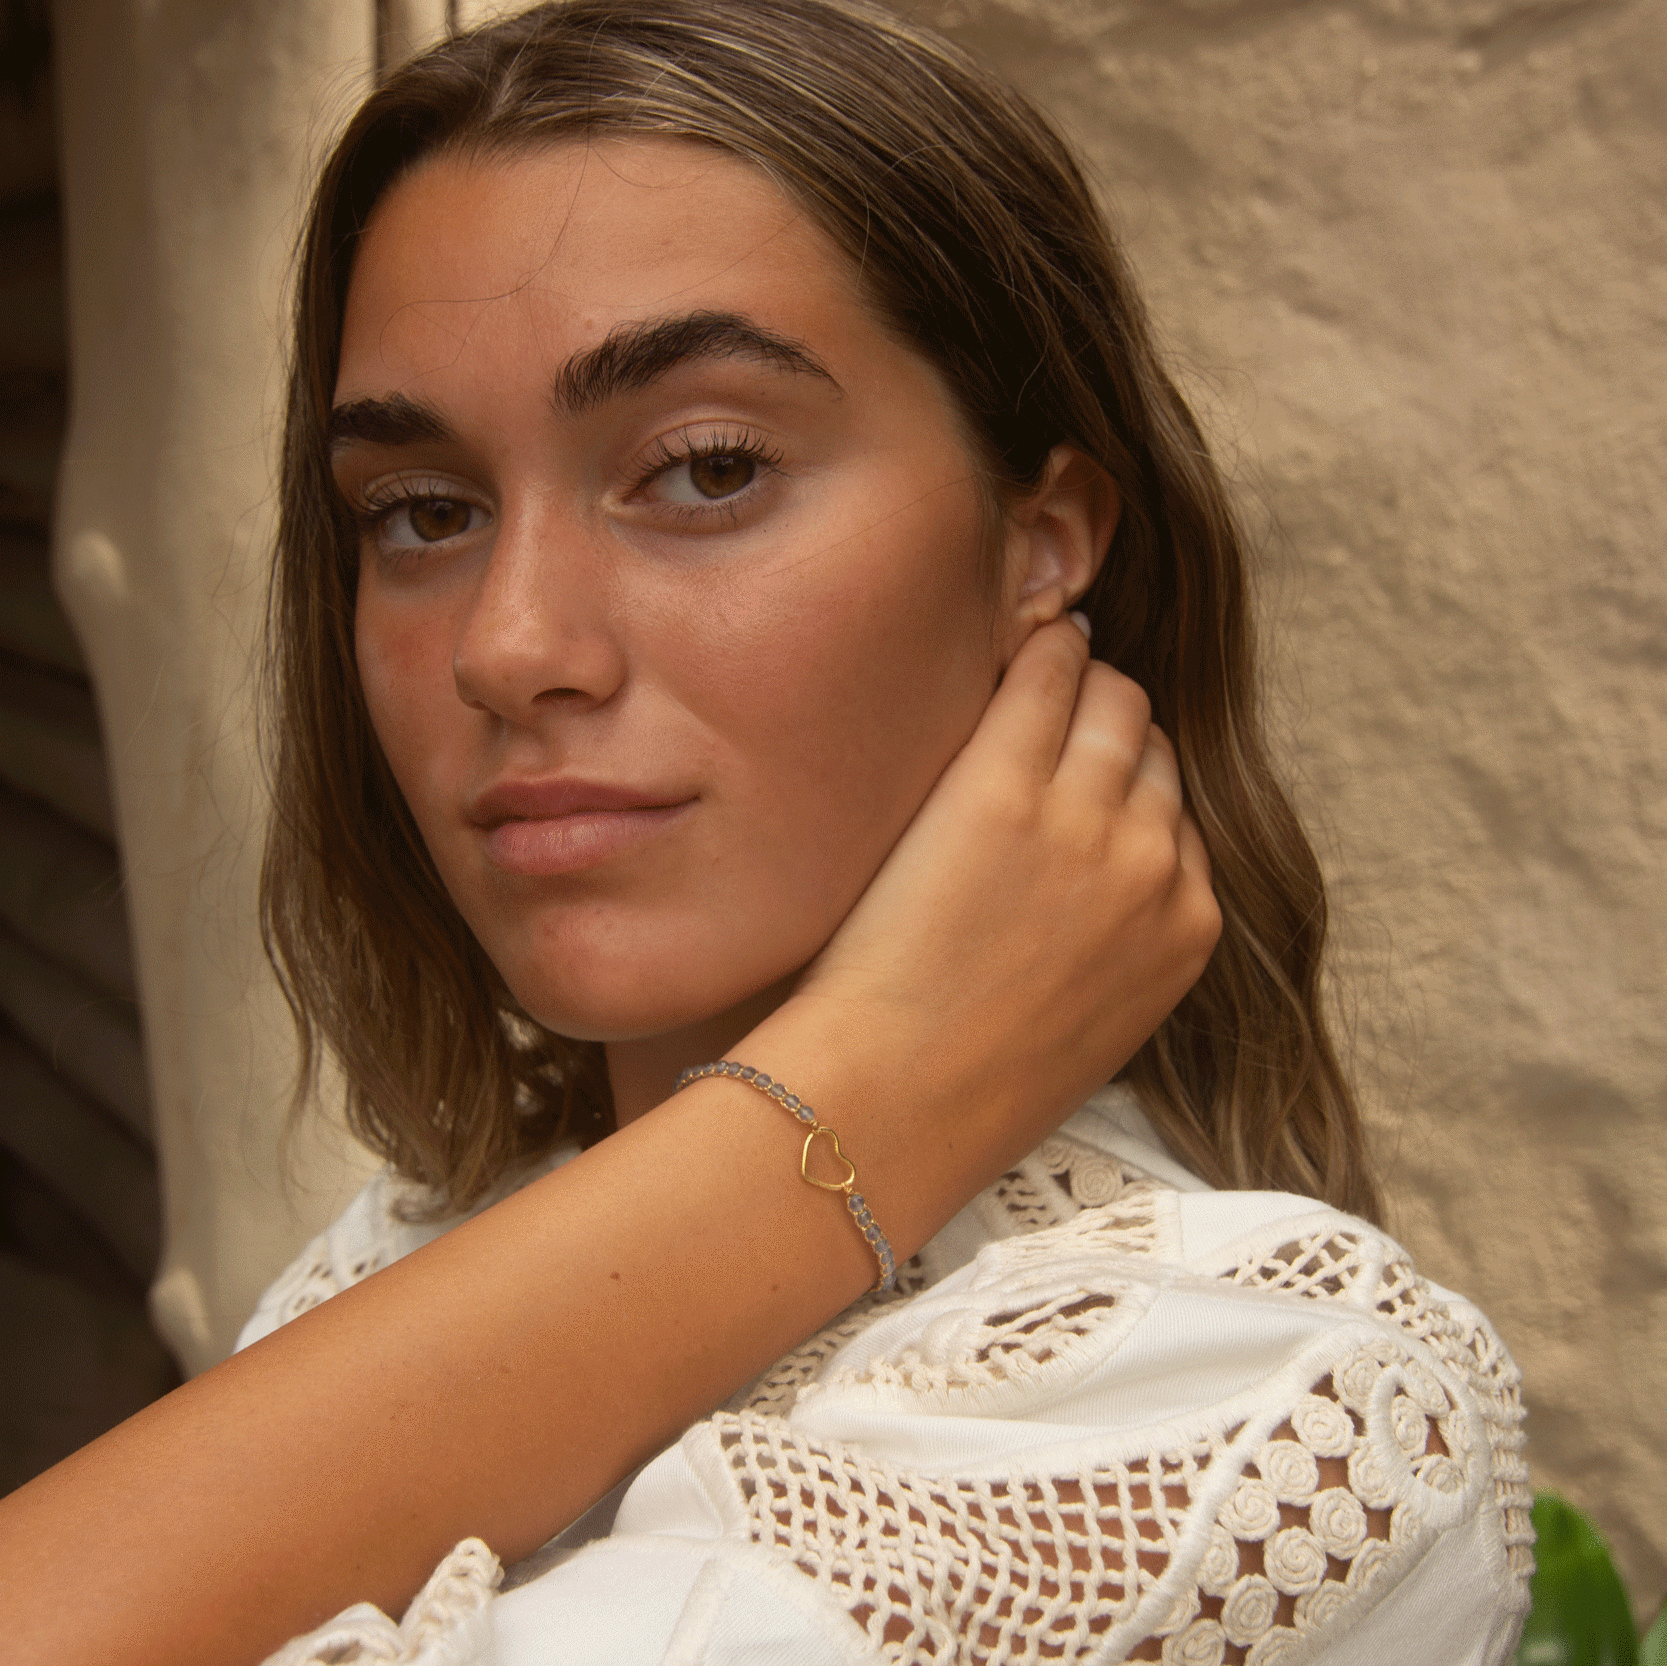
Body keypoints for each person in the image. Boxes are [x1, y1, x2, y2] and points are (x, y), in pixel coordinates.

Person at [0, 2, 1531, 1662]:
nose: (507, 646)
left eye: (707, 468)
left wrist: (839, 1110)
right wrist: (856, 1094)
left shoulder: (1246, 1398)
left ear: (1040, 543)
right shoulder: (400, 1252)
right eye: (422, 511)